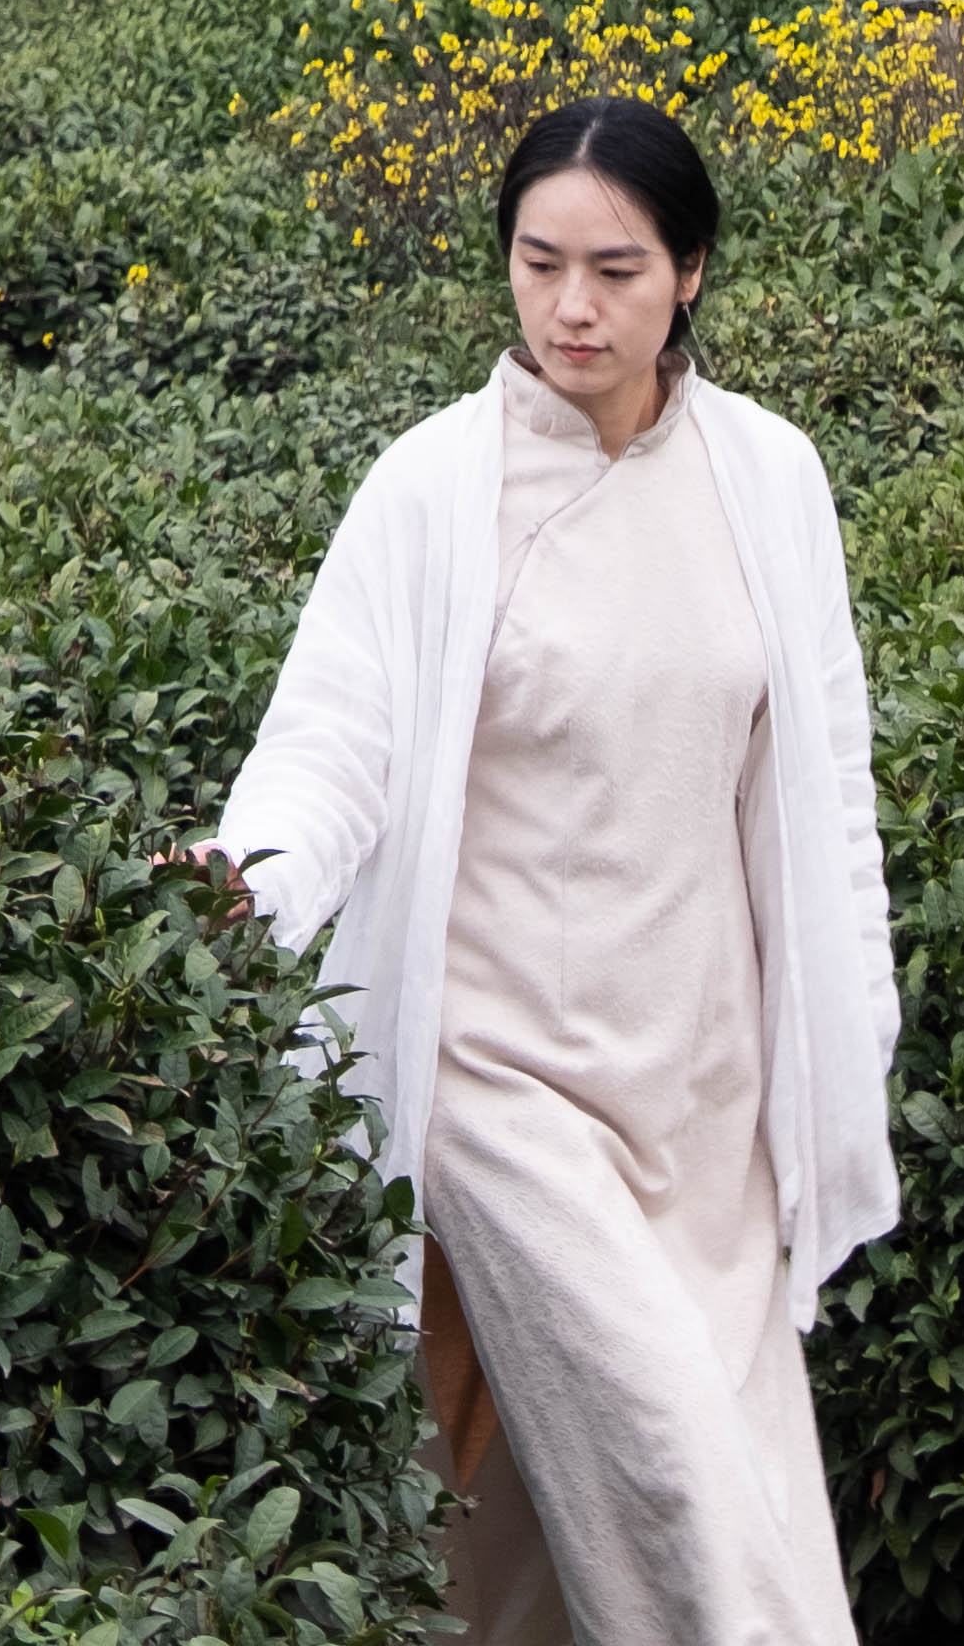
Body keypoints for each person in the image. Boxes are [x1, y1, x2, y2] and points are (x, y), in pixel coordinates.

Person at [202, 100, 894, 1646]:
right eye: (539, 264)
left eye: (616, 270)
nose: (572, 308)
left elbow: (825, 794)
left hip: (706, 1103)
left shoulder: (771, 480)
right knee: (690, 1499)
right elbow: (334, 744)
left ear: (691, 276)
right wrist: (247, 877)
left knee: (532, 1521)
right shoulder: (433, 491)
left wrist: (852, 1035)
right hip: (504, 1081)